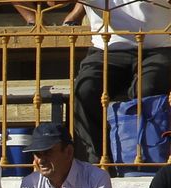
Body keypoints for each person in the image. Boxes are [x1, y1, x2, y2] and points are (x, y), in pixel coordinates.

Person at [72, 4, 171, 166]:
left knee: (147, 89)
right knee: (85, 89)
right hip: (105, 48)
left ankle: (146, 156)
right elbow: (53, 3)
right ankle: (99, 157)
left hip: (158, 46)